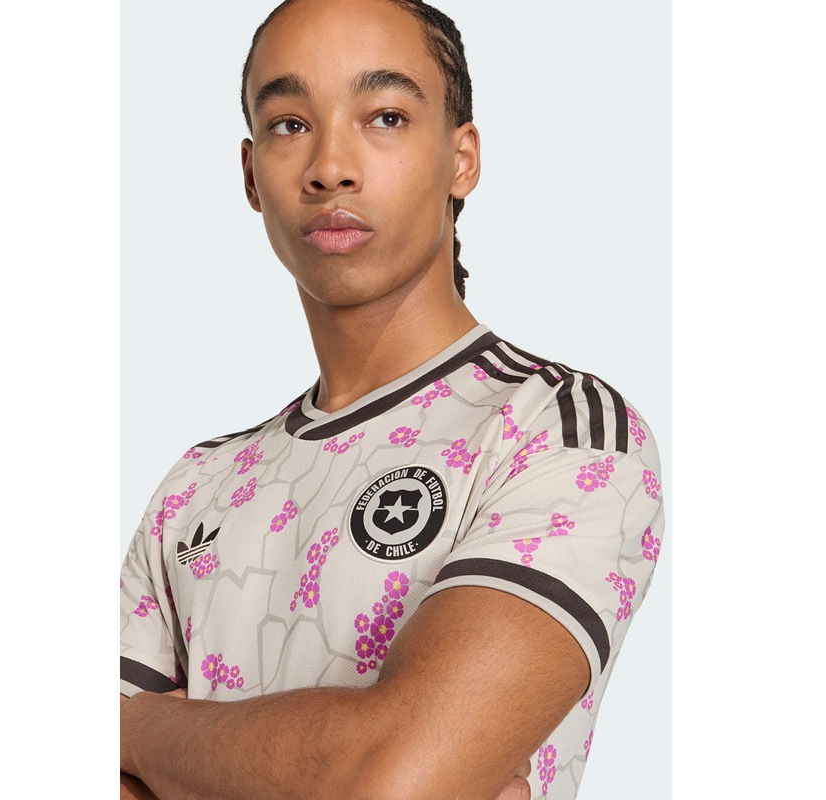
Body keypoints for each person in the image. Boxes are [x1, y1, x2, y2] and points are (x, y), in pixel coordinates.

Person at [119, 0, 666, 798]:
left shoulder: (558, 431)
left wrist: (137, 730)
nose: (330, 167)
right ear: (250, 174)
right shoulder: (194, 489)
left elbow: (392, 777)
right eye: (290, 124)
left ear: (461, 158)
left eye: (384, 116)